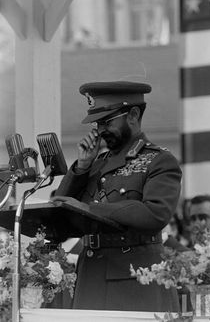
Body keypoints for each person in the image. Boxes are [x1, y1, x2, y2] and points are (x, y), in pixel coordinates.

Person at [52, 80, 182, 312]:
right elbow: (60, 215)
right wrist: (81, 168)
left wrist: (89, 209)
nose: (100, 130)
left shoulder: (159, 160)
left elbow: (155, 213)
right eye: (98, 123)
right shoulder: (95, 163)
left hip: (133, 281)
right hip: (90, 276)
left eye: (107, 121)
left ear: (132, 115)